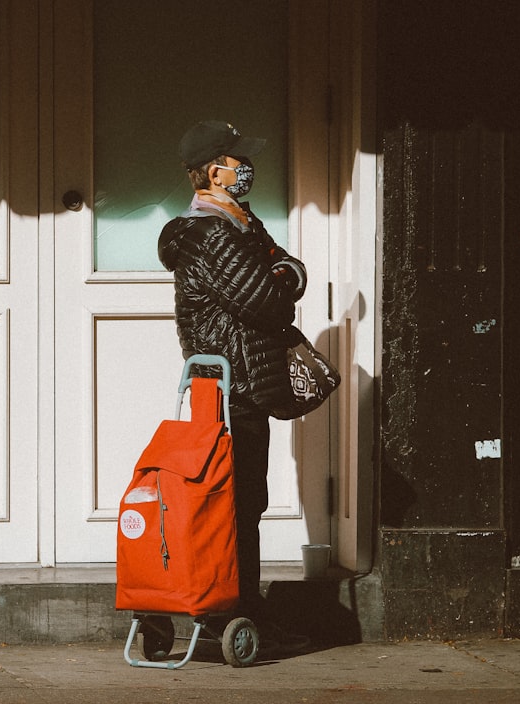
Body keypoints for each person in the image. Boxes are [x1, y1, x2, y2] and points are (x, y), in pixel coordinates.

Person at [155, 120, 308, 652]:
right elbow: (269, 299)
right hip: (229, 387)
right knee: (233, 501)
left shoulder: (241, 223)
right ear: (212, 170)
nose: (247, 168)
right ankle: (233, 610)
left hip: (241, 384)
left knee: (245, 501)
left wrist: (282, 274)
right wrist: (281, 278)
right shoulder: (211, 232)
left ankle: (242, 604)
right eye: (237, 160)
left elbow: (291, 270)